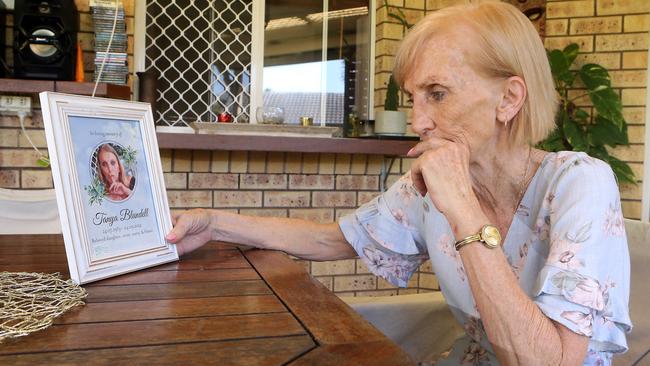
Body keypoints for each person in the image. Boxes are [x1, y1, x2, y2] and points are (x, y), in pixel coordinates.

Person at [166, 2, 631, 364]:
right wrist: (215, 224)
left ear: (508, 98)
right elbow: (335, 239)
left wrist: (463, 208)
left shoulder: (580, 183)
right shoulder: (437, 183)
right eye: (413, 97)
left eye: (438, 94)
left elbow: (548, 361)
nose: (418, 120)